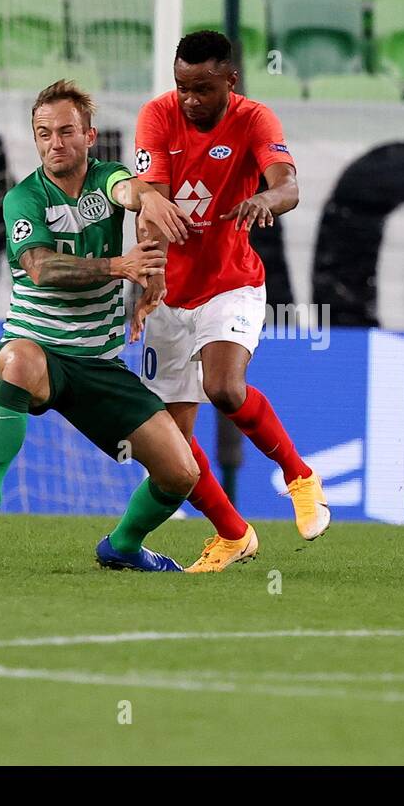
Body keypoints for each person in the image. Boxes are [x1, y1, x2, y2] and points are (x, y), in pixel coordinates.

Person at [0, 79, 202, 572]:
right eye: (43, 133)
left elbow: (129, 191)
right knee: (16, 359)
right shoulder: (24, 199)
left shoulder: (107, 178)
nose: (54, 143)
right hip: (41, 352)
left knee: (180, 473)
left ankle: (123, 546)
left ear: (89, 136)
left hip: (99, 363)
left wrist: (149, 215)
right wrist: (119, 267)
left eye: (66, 132)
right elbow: (42, 268)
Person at [130, 31, 329, 573]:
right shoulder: (158, 115)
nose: (189, 100)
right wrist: (146, 281)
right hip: (170, 293)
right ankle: (232, 535)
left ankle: (298, 476)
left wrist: (266, 197)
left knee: (223, 386)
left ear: (230, 81)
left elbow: (288, 185)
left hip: (231, 282)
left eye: (202, 89)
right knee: (171, 448)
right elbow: (148, 201)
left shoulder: (254, 119)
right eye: (182, 88)